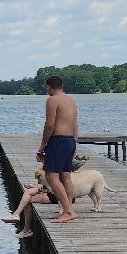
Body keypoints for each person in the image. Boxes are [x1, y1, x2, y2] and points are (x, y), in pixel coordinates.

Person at [35, 75, 79, 224]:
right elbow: (75, 124)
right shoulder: (71, 101)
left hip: (58, 140)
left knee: (51, 176)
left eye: (46, 87)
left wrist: (42, 147)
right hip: (69, 140)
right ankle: (67, 209)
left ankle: (68, 211)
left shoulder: (52, 100)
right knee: (65, 176)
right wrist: (74, 142)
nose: (46, 90)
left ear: (49, 86)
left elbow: (49, 125)